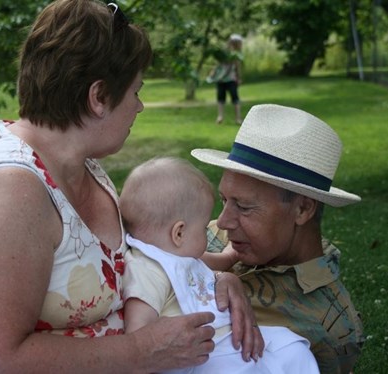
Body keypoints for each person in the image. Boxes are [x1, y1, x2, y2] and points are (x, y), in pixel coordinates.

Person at [0, 1, 262, 372]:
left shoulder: (79, 163)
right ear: (98, 97)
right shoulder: (11, 192)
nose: (140, 106)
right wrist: (139, 352)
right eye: (135, 91)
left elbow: (142, 255)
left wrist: (217, 279)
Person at [191, 103, 366, 374]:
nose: (223, 221)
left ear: (303, 209)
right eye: (225, 200)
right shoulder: (213, 234)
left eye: (245, 207)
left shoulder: (327, 326)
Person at [120, 157, 320, 374]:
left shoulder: (180, 254)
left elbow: (219, 262)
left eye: (243, 207)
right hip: (198, 358)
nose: (221, 224)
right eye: (205, 228)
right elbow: (139, 339)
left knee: (292, 347)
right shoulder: (148, 270)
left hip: (225, 342)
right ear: (179, 233)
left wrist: (231, 256)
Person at [207, 34, 243, 125]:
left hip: (231, 79)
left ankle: (238, 118)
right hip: (221, 79)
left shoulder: (236, 55)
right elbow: (217, 65)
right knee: (220, 99)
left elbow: (237, 67)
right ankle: (220, 117)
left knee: (235, 98)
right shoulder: (223, 53)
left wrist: (238, 78)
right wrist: (213, 73)